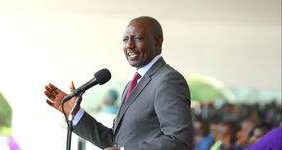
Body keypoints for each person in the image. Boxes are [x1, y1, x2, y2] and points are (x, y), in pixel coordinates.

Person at [44, 16, 193, 150]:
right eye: (125, 40)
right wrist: (76, 114)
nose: (129, 45)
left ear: (158, 41)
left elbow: (179, 140)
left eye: (138, 38)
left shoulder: (168, 80)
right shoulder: (131, 85)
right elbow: (115, 141)